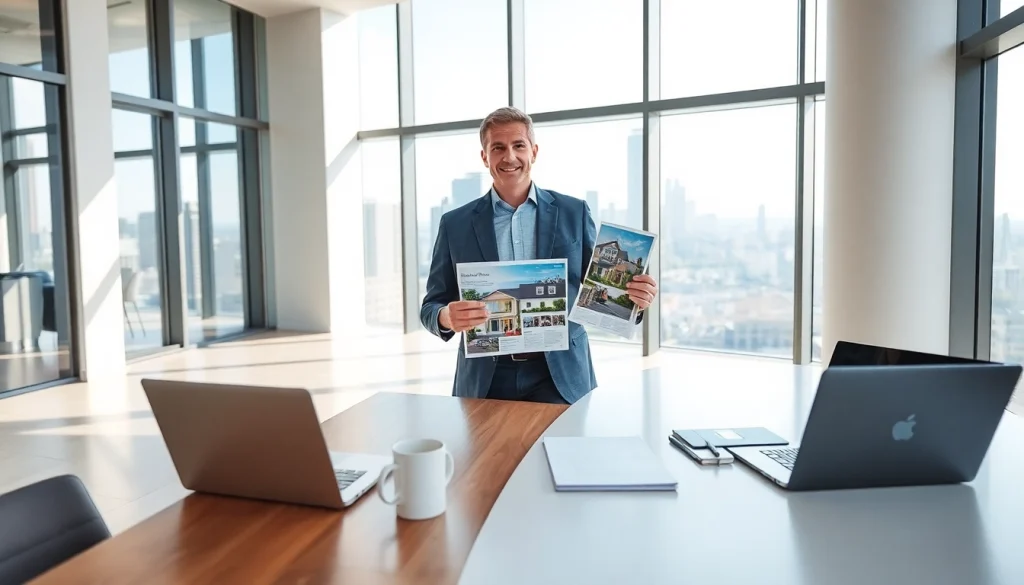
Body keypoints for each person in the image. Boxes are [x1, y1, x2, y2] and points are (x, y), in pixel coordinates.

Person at [419, 106, 659, 405]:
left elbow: (597, 287)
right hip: (487, 377)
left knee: (564, 452)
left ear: (533, 151)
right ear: (485, 157)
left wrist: (634, 299)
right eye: (498, 148)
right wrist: (445, 317)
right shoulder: (455, 224)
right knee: (491, 454)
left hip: (560, 375)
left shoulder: (573, 212)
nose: (509, 157)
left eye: (518, 145)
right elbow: (431, 306)